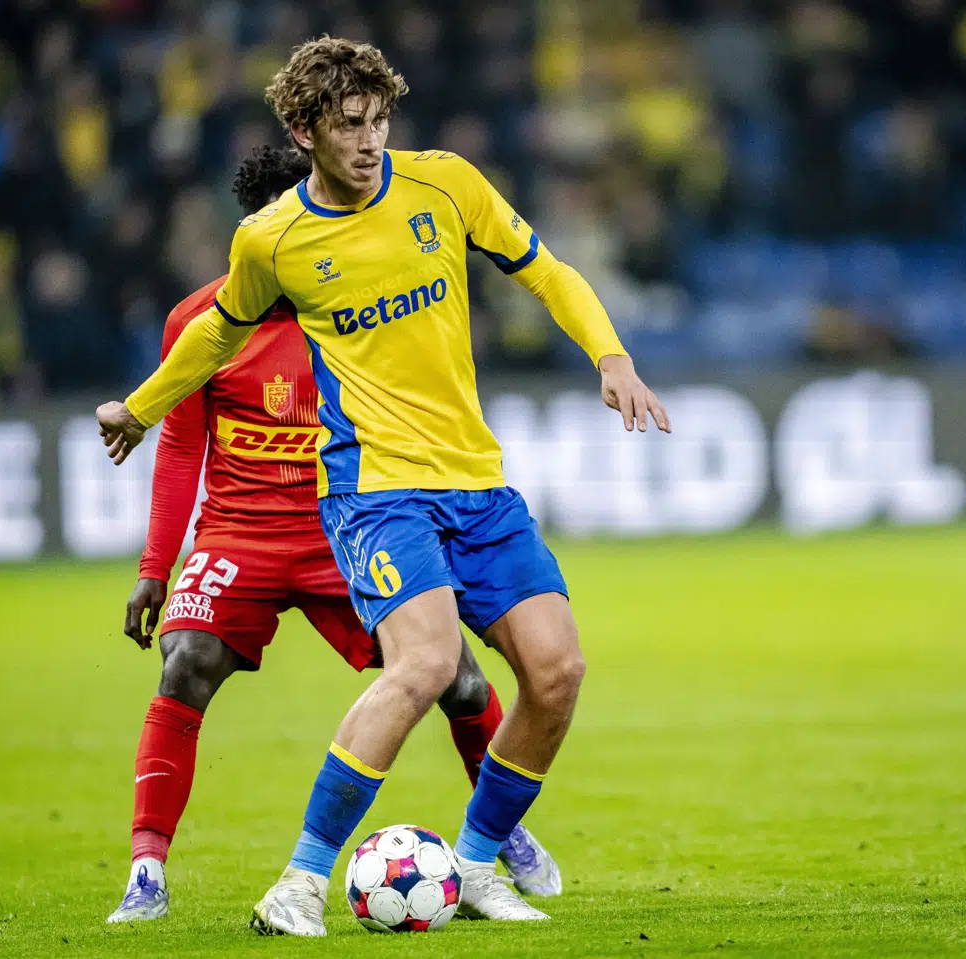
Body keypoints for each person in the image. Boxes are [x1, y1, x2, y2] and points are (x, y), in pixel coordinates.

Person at [97, 37, 669, 936]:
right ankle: (299, 880)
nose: (371, 142)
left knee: (557, 672)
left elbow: (546, 269)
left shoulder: (445, 184)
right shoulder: (273, 237)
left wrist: (610, 353)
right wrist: (140, 406)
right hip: (374, 491)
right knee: (428, 664)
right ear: (304, 130)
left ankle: (479, 864)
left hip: (477, 483)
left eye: (380, 121)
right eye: (349, 126)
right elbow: (212, 337)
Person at [106, 145, 562, 925]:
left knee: (454, 676)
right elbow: (181, 442)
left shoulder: (357, 309)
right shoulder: (204, 320)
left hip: (339, 527)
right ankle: (147, 869)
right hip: (238, 533)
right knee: (183, 663)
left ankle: (501, 832)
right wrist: (158, 564)